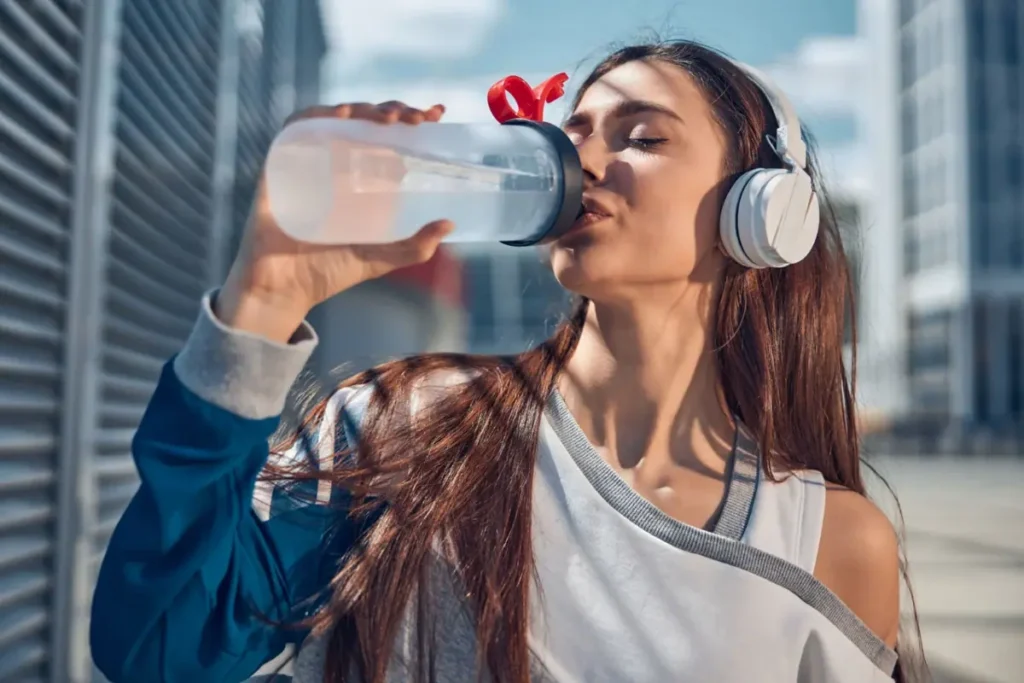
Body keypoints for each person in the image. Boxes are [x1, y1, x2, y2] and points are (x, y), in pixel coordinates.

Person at [90, 40, 921, 683]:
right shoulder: (407, 430)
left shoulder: (831, 542)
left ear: (761, 211)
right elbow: (160, 646)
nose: (582, 163)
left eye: (640, 136)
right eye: (572, 135)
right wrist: (262, 304)